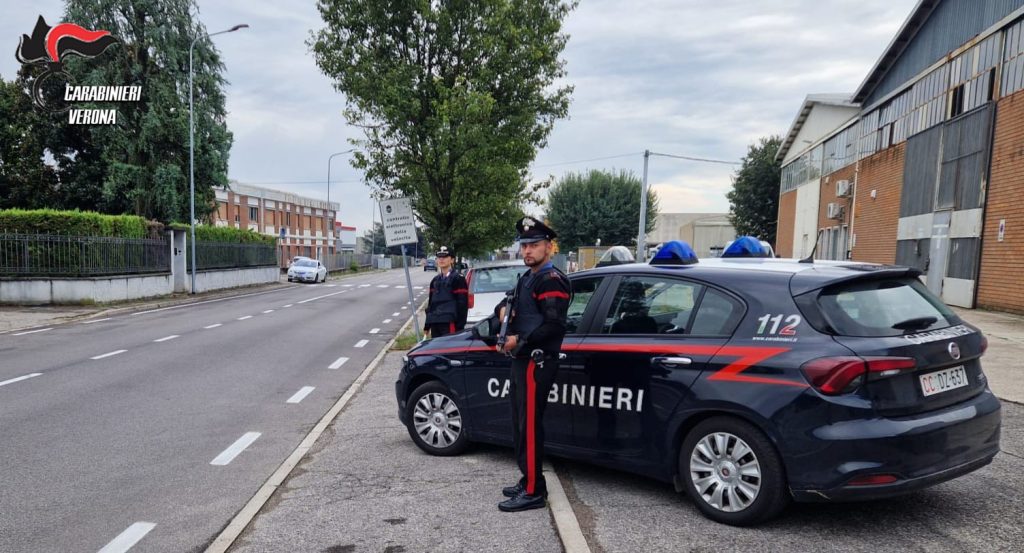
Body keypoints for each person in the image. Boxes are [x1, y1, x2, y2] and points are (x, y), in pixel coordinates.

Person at [495, 216, 571, 512]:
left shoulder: (550, 280)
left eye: (534, 245)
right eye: (524, 245)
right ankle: (528, 478)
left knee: (529, 427)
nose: (527, 250)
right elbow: (512, 306)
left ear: (549, 247)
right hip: (522, 360)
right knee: (519, 424)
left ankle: (534, 491)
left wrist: (520, 340)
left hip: (536, 363)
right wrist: (503, 313)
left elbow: (554, 326)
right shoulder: (528, 277)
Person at [423, 246, 469, 338]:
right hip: (435, 323)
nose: (441, 259)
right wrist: (427, 326)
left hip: (450, 324)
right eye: (439, 257)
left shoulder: (458, 279)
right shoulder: (435, 281)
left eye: (445, 257)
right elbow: (431, 304)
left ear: (452, 260)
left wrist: (459, 327)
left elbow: (462, 304)